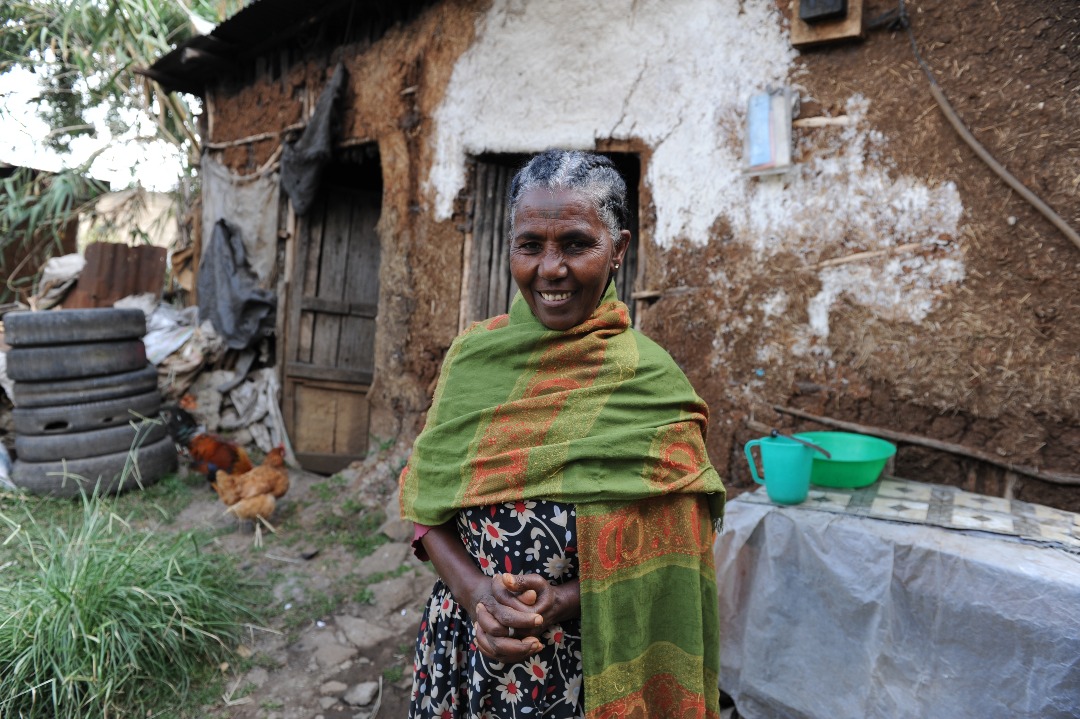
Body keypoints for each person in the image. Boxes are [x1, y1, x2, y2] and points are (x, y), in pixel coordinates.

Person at [399, 149, 726, 718]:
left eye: (576, 243)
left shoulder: (651, 386)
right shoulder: (473, 363)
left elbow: (680, 540)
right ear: (511, 249)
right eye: (531, 245)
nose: (550, 268)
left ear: (618, 249)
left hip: (589, 667)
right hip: (466, 658)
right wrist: (476, 594)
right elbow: (426, 504)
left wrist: (565, 601)